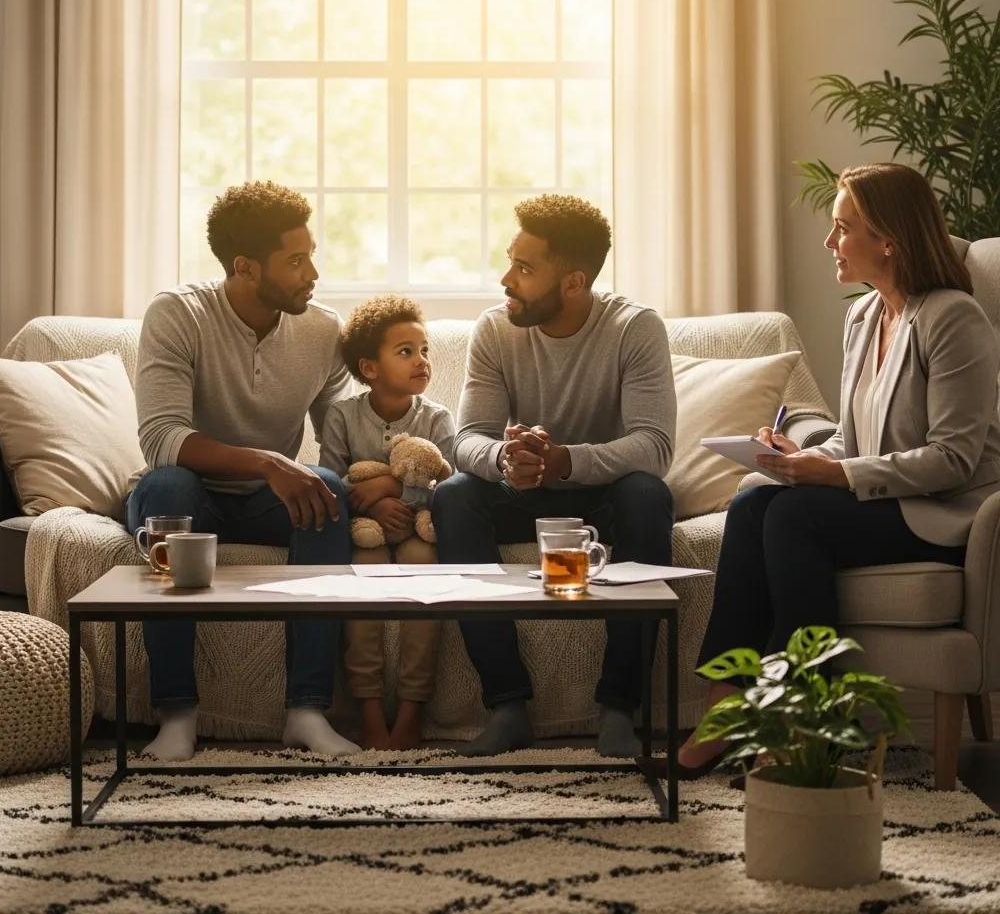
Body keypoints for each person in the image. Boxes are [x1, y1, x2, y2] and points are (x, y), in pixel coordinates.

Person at [675, 162, 1000, 778]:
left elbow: (953, 460)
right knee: (751, 503)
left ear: (889, 238)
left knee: (796, 517)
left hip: (945, 515)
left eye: (842, 228)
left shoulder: (954, 319)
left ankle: (796, 714)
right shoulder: (863, 317)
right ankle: (723, 707)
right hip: (884, 502)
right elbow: (853, 440)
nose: (830, 243)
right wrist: (799, 458)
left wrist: (838, 477)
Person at [432, 194, 677, 757]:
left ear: (573, 281)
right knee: (454, 497)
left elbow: (654, 446)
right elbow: (468, 437)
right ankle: (507, 704)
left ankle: (620, 708)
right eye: (510, 261)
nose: (506, 279)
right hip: (525, 487)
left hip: (604, 489)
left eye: (524, 268)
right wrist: (506, 461)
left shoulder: (634, 328)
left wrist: (567, 461)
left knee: (648, 494)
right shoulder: (495, 330)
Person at [127, 181, 360, 761]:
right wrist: (267, 460)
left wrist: (375, 478)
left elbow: (339, 439)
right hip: (191, 492)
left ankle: (306, 711)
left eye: (312, 255)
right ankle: (177, 716)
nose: (313, 273)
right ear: (245, 267)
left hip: (266, 501)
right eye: (297, 260)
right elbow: (161, 438)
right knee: (167, 488)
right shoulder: (177, 314)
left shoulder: (321, 330)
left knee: (328, 489)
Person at [320, 295, 456, 750]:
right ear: (370, 368)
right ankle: (370, 710)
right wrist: (372, 504)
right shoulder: (342, 415)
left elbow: (450, 486)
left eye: (424, 350)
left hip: (421, 529)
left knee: (424, 568)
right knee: (364, 574)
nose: (421, 361)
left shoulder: (437, 419)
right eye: (405, 352)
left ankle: (414, 709)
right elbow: (333, 483)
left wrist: (395, 490)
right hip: (367, 531)